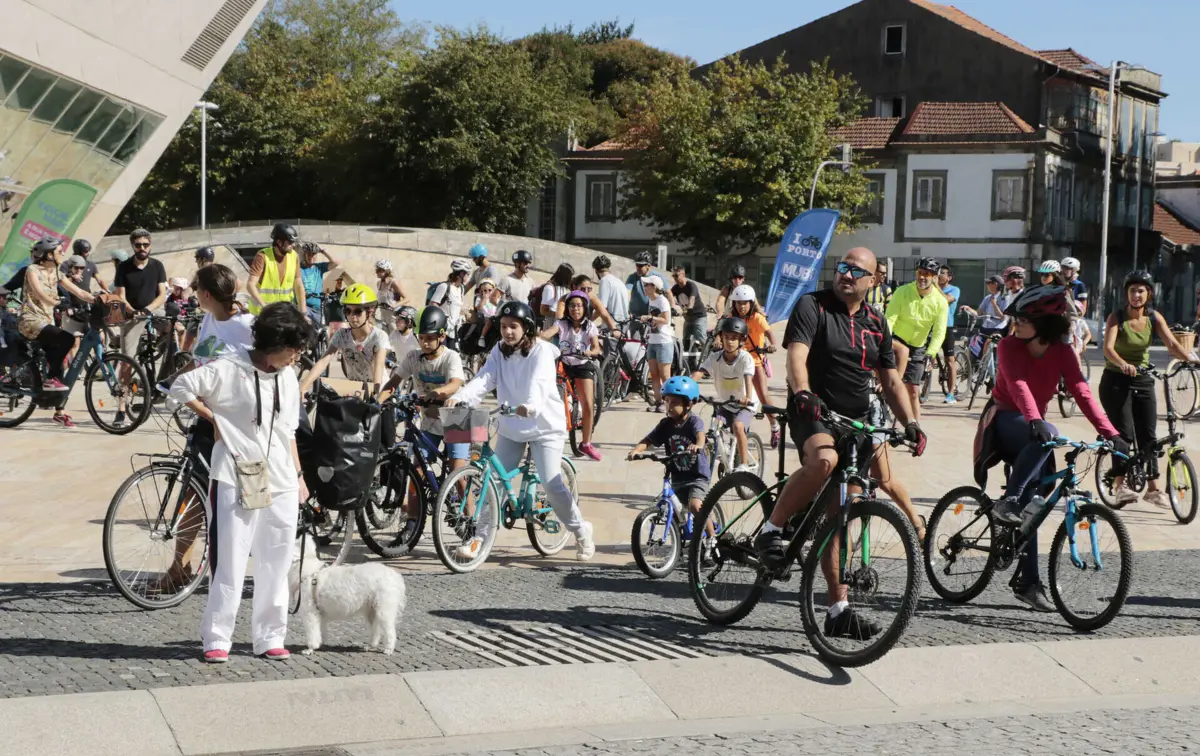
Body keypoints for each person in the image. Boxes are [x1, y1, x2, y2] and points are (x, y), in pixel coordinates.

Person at [756, 246, 925, 640]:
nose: (846, 275)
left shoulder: (876, 322)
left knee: (840, 518)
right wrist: (801, 392)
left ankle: (838, 610)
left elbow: (891, 381)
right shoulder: (813, 306)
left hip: (857, 423)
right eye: (842, 267)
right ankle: (772, 528)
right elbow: (796, 356)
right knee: (824, 461)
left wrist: (911, 422)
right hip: (813, 411)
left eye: (856, 270)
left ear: (873, 280)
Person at [169, 302, 313, 663]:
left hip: (280, 477)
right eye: (293, 348)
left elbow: (288, 431)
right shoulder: (228, 368)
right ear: (274, 343)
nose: (297, 356)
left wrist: (299, 477)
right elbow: (181, 386)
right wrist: (213, 418)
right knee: (231, 558)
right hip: (236, 474)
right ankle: (218, 636)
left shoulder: (288, 377)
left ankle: (270, 635)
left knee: (277, 559)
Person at [987, 285, 1127, 612]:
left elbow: (1081, 390)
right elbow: (1018, 384)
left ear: (1045, 323)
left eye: (1023, 318)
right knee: (1030, 474)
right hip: (1005, 419)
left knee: (1034, 504)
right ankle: (1006, 501)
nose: (1016, 322)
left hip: (1036, 430)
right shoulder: (1008, 346)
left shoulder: (1063, 352)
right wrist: (1036, 419)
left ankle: (1028, 581)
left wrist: (1111, 433)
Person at [447, 300, 595, 561]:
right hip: (512, 425)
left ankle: (581, 531)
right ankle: (479, 539)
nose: (507, 332)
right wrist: (461, 397)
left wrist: (530, 405)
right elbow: (484, 378)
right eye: (503, 326)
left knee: (551, 483)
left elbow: (540, 381)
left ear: (527, 328)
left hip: (544, 426)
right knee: (493, 482)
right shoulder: (499, 351)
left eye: (513, 326)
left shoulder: (541, 352)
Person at [154, 263, 255, 593]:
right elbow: (201, 359)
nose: (195, 295)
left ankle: (238, 567)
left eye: (198, 291)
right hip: (207, 414)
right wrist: (175, 382)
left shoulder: (247, 326)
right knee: (193, 489)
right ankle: (179, 566)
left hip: (237, 424)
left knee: (241, 496)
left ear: (207, 294)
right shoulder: (210, 319)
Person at [1100, 271, 1198, 509]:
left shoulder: (1154, 317)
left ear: (1149, 294)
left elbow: (1172, 344)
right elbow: (1108, 348)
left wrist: (1192, 360)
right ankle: (1120, 485)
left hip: (1142, 379)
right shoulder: (1117, 317)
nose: (1136, 295)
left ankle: (1153, 490)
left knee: (1149, 436)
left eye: (1141, 291)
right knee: (1124, 435)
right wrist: (1122, 364)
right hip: (1116, 380)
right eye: (1132, 290)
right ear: (1127, 294)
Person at [380, 306, 468, 542]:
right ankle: (411, 524)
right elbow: (393, 382)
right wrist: (376, 403)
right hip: (430, 420)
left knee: (458, 472)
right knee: (416, 473)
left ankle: (473, 527)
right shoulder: (413, 357)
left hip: (457, 418)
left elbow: (456, 383)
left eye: (431, 338)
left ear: (441, 336)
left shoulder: (451, 357)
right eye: (422, 338)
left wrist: (439, 391)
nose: (425, 343)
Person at [627, 375, 718, 556]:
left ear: (689, 404)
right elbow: (650, 439)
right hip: (677, 475)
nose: (669, 406)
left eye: (674, 402)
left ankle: (712, 538)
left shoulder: (694, 421)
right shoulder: (666, 424)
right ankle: (681, 540)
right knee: (675, 510)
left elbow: (700, 435)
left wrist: (698, 445)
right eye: (666, 401)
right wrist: (637, 450)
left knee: (695, 506)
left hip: (696, 476)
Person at [19, 237, 95, 426]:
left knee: (57, 363)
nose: (63, 254)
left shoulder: (56, 272)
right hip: (31, 320)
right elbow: (39, 293)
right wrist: (57, 303)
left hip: (47, 322)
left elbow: (78, 291)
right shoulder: (32, 270)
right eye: (59, 251)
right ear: (48, 254)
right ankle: (50, 381)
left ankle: (59, 411)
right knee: (67, 340)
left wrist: (98, 299)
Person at [540, 290, 604, 460]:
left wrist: (590, 353)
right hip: (564, 364)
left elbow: (597, 348)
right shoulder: (561, 324)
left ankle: (586, 443)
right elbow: (548, 334)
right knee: (553, 402)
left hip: (583, 364)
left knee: (589, 405)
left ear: (585, 308)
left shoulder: (590, 326)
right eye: (572, 306)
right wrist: (538, 336)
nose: (575, 309)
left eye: (579, 306)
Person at [885, 257, 948, 422]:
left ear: (934, 277)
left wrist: (931, 352)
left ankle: (914, 429)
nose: (922, 277)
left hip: (918, 346)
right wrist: (885, 342)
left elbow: (939, 332)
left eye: (927, 274)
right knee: (889, 384)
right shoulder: (902, 292)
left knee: (913, 390)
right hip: (897, 342)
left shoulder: (940, 302)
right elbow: (889, 319)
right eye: (920, 273)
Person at [692, 316, 756, 471]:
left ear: (742, 340)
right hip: (725, 403)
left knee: (738, 426)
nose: (730, 342)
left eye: (734, 338)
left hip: (745, 405)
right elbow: (700, 372)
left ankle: (744, 464)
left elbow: (748, 378)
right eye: (726, 337)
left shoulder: (745, 358)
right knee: (714, 426)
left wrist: (747, 397)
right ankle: (723, 452)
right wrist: (687, 385)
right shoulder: (715, 357)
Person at [302, 283, 389, 394]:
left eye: (358, 311)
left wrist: (375, 394)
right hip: (355, 390)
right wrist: (303, 386)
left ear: (370, 312)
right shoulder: (342, 335)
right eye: (348, 311)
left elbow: (379, 366)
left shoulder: (379, 336)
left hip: (379, 391)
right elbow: (323, 361)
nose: (352, 316)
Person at [728, 284, 781, 447]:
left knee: (763, 396)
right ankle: (738, 428)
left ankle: (774, 425)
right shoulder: (733, 317)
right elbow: (722, 331)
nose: (741, 306)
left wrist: (772, 345)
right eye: (738, 303)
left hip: (755, 362)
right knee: (733, 396)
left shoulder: (757, 318)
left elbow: (770, 332)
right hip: (738, 361)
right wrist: (717, 340)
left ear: (751, 303)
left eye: (744, 303)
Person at [114, 229, 169, 385]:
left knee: (177, 329)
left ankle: (165, 375)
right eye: (138, 245)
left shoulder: (157, 265)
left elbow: (162, 295)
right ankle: (122, 402)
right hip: (132, 313)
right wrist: (133, 311)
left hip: (153, 310)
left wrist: (147, 310)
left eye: (146, 245)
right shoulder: (123, 267)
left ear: (150, 245)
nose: (142, 248)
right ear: (133, 246)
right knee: (127, 360)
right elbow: (120, 296)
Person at [247, 223, 306, 317]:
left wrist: (303, 313)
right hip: (262, 314)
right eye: (290, 242)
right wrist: (264, 307)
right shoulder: (262, 256)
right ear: (279, 242)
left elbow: (298, 285)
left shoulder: (294, 256)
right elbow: (250, 285)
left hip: (284, 313)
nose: (293, 245)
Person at [640, 274, 675, 412]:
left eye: (647, 285)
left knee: (665, 375)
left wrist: (650, 317)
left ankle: (669, 403)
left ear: (654, 287)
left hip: (664, 341)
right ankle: (658, 401)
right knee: (654, 374)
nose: (645, 287)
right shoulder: (651, 301)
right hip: (653, 340)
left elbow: (666, 319)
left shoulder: (662, 301)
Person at [671, 266, 708, 370]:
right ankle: (688, 363)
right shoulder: (676, 288)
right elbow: (669, 295)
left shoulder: (691, 285)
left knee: (701, 338)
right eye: (673, 276)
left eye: (676, 275)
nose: (674, 278)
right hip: (688, 318)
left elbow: (692, 298)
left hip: (699, 316)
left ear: (683, 275)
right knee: (685, 341)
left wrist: (690, 308)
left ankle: (710, 358)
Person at [428, 259, 470, 349]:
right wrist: (443, 317)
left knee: (452, 355)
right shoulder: (444, 287)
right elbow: (433, 304)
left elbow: (456, 307)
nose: (468, 276)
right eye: (467, 274)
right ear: (461, 274)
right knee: (442, 355)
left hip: (453, 330)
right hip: (442, 328)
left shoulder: (461, 289)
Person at [298, 242, 339, 330]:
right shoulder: (298, 269)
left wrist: (322, 251)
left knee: (321, 331)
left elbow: (335, 263)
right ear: (305, 254)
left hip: (318, 307)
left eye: (314, 255)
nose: (311, 257)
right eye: (309, 254)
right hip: (305, 307)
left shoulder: (319, 267)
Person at [626, 251, 674, 320]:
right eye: (636, 265)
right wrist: (625, 309)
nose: (637, 268)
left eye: (640, 266)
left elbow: (668, 293)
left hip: (653, 317)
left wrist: (672, 308)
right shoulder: (632, 277)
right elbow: (627, 293)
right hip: (636, 316)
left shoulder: (657, 276)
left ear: (648, 266)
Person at [937, 265, 961, 404]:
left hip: (947, 327)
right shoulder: (931, 289)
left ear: (949, 277)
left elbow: (946, 299)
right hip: (931, 326)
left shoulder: (954, 290)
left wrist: (935, 287)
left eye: (942, 273)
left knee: (950, 360)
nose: (939, 275)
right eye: (938, 272)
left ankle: (951, 393)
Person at [592, 255, 630, 324]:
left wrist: (589, 320)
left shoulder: (604, 281)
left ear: (596, 271)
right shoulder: (619, 281)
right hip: (624, 324)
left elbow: (601, 308)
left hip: (612, 326)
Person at [373, 259, 406, 334]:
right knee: (383, 337)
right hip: (382, 315)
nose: (376, 272)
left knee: (394, 337)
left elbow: (407, 298)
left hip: (392, 316)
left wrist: (396, 305)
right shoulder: (378, 284)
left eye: (379, 270)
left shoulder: (393, 283)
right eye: (376, 270)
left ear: (386, 271)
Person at [537, 262, 575, 329]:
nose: (571, 279)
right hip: (550, 324)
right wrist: (558, 314)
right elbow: (543, 311)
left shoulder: (562, 288)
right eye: (570, 277)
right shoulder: (549, 288)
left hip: (559, 324)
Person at [469, 279, 499, 349]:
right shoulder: (479, 298)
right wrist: (484, 299)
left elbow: (499, 306)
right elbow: (479, 308)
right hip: (484, 317)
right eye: (485, 290)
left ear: (493, 290)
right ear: (480, 291)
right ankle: (482, 337)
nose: (487, 292)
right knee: (489, 321)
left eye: (489, 290)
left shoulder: (495, 299)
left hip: (494, 317)